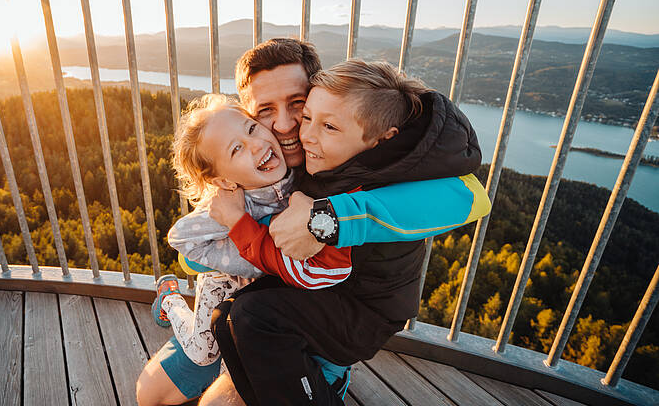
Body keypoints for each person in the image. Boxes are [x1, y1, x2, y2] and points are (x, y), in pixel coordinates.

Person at [136, 38, 487, 405]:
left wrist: (326, 219)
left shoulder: (346, 152)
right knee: (149, 395)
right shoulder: (258, 166)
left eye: (298, 105)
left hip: (317, 318)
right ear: (247, 113)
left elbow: (470, 199)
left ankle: (324, 379)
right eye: (265, 111)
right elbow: (190, 257)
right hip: (253, 305)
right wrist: (238, 219)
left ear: (319, 95)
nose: (288, 126)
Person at [145, 93, 356, 406]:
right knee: (165, 383)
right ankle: (172, 301)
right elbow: (181, 238)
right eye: (236, 148)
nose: (256, 144)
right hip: (223, 295)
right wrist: (246, 236)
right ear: (222, 179)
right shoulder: (236, 201)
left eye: (252, 129)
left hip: (271, 321)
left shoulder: (306, 178)